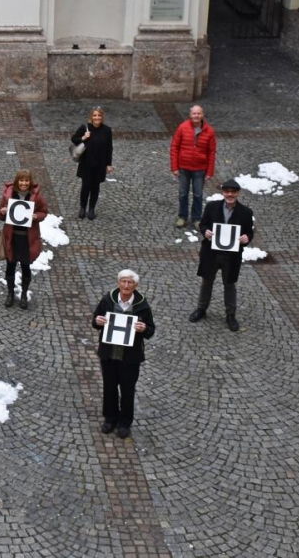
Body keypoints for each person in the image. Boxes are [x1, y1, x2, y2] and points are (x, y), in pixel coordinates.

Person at [92, 269, 156, 440]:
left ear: (136, 285)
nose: (126, 285)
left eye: (130, 282)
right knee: (109, 387)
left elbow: (151, 329)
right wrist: (97, 321)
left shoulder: (142, 305)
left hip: (130, 357)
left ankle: (124, 422)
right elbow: (96, 320)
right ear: (118, 283)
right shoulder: (107, 300)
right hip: (109, 354)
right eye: (123, 281)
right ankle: (110, 418)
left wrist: (144, 328)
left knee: (128, 390)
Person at [189, 178, 253, 332]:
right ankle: (201, 309)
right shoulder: (212, 207)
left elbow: (249, 232)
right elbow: (203, 224)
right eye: (227, 191)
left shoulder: (246, 212)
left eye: (233, 192)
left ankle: (230, 315)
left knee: (229, 284)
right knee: (206, 282)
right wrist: (205, 231)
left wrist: (247, 238)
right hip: (211, 253)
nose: (230, 194)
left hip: (232, 256)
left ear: (238, 193)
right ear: (223, 192)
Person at [0, 170, 48, 310]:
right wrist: (2, 212)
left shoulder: (36, 196)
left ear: (30, 182)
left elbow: (44, 211)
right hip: (12, 237)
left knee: (26, 266)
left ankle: (24, 294)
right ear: (17, 181)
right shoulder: (8, 195)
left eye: (26, 181)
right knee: (10, 265)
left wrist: (36, 216)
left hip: (27, 239)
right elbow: (0, 214)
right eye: (21, 180)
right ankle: (10, 293)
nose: (24, 183)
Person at [169, 105, 216, 228]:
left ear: (202, 115)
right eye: (194, 113)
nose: (196, 116)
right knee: (183, 194)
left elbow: (211, 152)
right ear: (190, 115)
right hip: (183, 167)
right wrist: (174, 167)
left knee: (198, 195)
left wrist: (210, 171)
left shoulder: (209, 131)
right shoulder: (182, 128)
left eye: (198, 113)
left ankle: (196, 218)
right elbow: (174, 147)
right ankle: (182, 217)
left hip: (200, 168)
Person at [71, 106, 114, 220]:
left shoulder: (107, 130)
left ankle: (91, 209)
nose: (97, 118)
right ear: (91, 117)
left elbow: (109, 148)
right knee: (85, 186)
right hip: (87, 162)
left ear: (102, 117)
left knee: (95, 187)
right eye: (95, 115)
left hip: (100, 163)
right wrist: (83, 137)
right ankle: (82, 208)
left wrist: (108, 164)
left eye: (99, 115)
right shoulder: (85, 128)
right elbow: (74, 139)